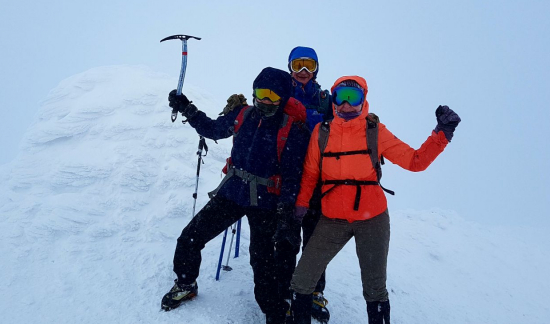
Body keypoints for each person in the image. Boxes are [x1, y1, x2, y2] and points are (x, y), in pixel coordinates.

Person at [289, 76, 461, 324]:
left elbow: (415, 161)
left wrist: (442, 134)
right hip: (333, 218)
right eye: (341, 97)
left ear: (363, 100)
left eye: (354, 98)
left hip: (372, 219)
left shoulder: (375, 131)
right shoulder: (322, 132)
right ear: (334, 100)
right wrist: (301, 204)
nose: (347, 105)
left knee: (374, 288)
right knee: (302, 280)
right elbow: (310, 173)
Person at [161, 67, 311, 324]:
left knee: (262, 264)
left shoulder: (291, 130)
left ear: (283, 97)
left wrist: (286, 212)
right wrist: (188, 109)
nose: (265, 100)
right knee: (190, 237)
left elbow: (293, 176)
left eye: (273, 96)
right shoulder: (243, 115)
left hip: (267, 204)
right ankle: (186, 284)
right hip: (232, 193)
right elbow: (213, 129)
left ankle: (274, 311)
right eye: (261, 93)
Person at [274, 46, 333, 323]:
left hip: (319, 178)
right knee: (286, 237)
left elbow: (347, 121)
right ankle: (285, 290)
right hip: (288, 177)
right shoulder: (280, 93)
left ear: (317, 68)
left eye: (309, 65)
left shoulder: (326, 100)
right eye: (298, 65)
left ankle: (313, 290)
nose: (304, 72)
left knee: (315, 238)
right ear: (289, 67)